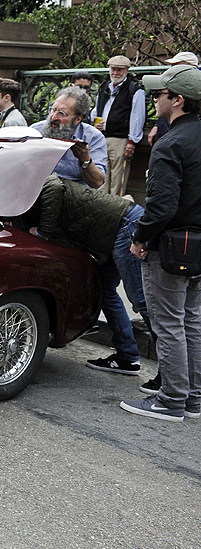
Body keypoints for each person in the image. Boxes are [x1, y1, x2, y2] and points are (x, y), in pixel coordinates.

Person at [123, 65, 201, 422]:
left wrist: (141, 237)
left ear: (178, 100)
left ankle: (170, 400)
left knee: (169, 323)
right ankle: (193, 398)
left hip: (170, 245)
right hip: (197, 243)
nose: (155, 99)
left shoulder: (170, 142)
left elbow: (162, 205)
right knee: (191, 321)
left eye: (160, 94)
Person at [23, 176, 148, 376]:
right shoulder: (20, 196)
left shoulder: (42, 182)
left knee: (141, 299)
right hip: (112, 234)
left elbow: (54, 187)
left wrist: (42, 231)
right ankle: (127, 357)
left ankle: (174, 375)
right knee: (106, 292)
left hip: (125, 225)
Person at [30, 86, 107, 190]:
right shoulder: (35, 131)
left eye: (61, 113)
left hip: (73, 194)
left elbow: (97, 182)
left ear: (78, 119)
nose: (53, 117)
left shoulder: (93, 137)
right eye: (53, 110)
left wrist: (84, 159)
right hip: (38, 189)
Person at [93, 55, 146, 196]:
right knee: (101, 177)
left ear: (126, 71)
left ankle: (115, 209)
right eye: (113, 69)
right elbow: (97, 108)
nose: (115, 72)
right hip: (102, 137)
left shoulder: (134, 89)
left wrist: (131, 141)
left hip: (121, 140)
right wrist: (95, 124)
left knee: (118, 179)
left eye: (120, 70)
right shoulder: (104, 86)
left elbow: (137, 117)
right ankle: (100, 208)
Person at [147, 51, 199, 146]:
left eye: (177, 65)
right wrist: (157, 125)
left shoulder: (194, 88)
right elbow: (165, 106)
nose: (172, 69)